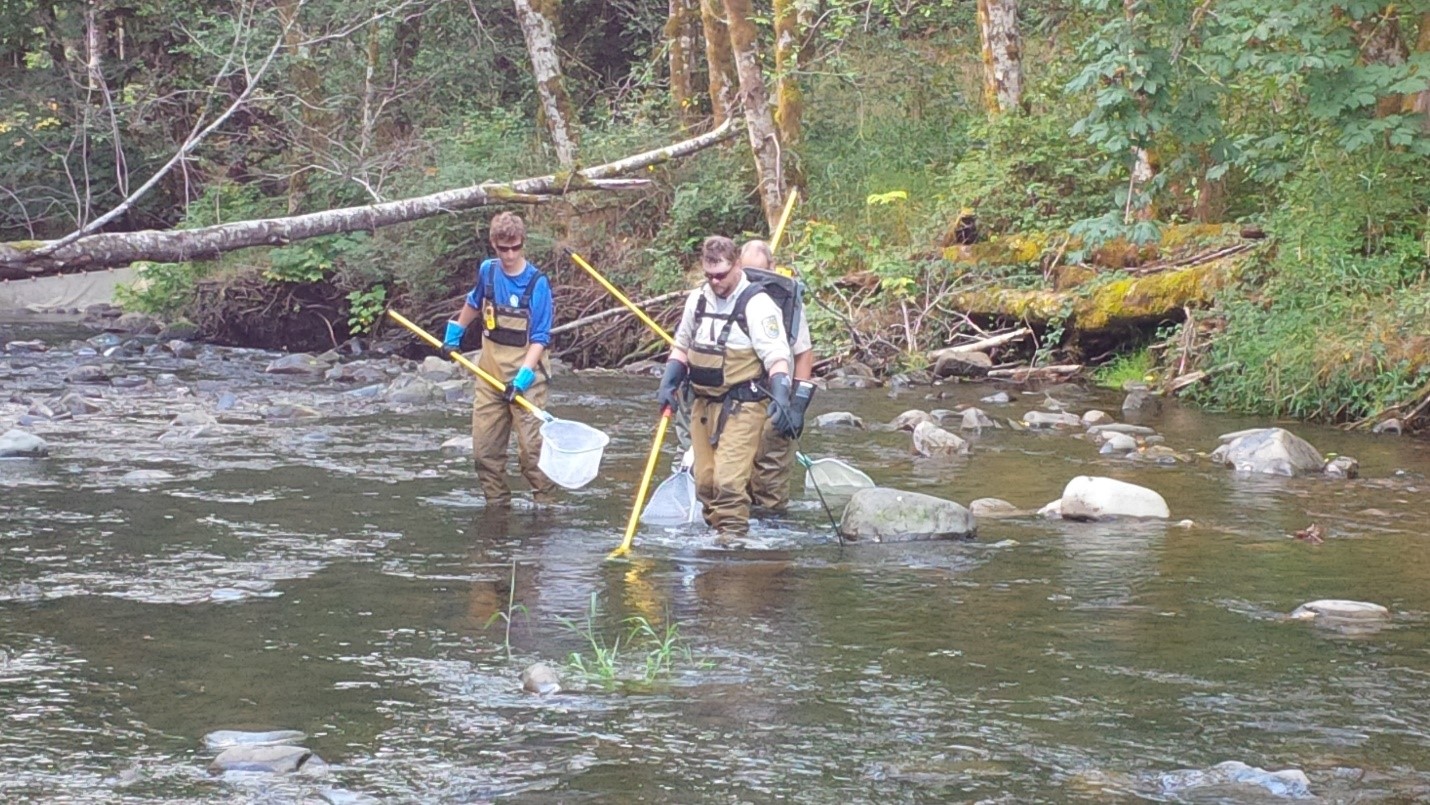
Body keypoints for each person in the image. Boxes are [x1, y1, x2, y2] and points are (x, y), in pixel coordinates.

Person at [656, 236, 800, 544]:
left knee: (728, 482)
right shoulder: (698, 300)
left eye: (721, 275)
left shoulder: (758, 304)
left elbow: (777, 357)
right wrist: (669, 382)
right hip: (702, 405)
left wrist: (784, 395)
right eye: (709, 275)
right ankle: (715, 537)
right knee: (705, 482)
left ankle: (733, 544)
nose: (715, 282)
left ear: (736, 265)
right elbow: (682, 346)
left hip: (743, 406)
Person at [442, 212, 557, 507]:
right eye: (503, 248)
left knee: (532, 453)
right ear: (493, 244)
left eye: (515, 248)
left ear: (523, 244)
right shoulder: (488, 271)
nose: (509, 255)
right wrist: (456, 330)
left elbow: (540, 338)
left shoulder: (537, 283)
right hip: (489, 376)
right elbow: (474, 302)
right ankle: (497, 509)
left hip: (527, 379)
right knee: (485, 453)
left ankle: (545, 509)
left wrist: (523, 378)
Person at [739, 239, 817, 514]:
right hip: (738, 401)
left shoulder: (788, 301)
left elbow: (804, 354)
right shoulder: (733, 294)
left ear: (773, 267)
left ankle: (772, 535)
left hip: (778, 401)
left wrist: (797, 406)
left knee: (770, 476)